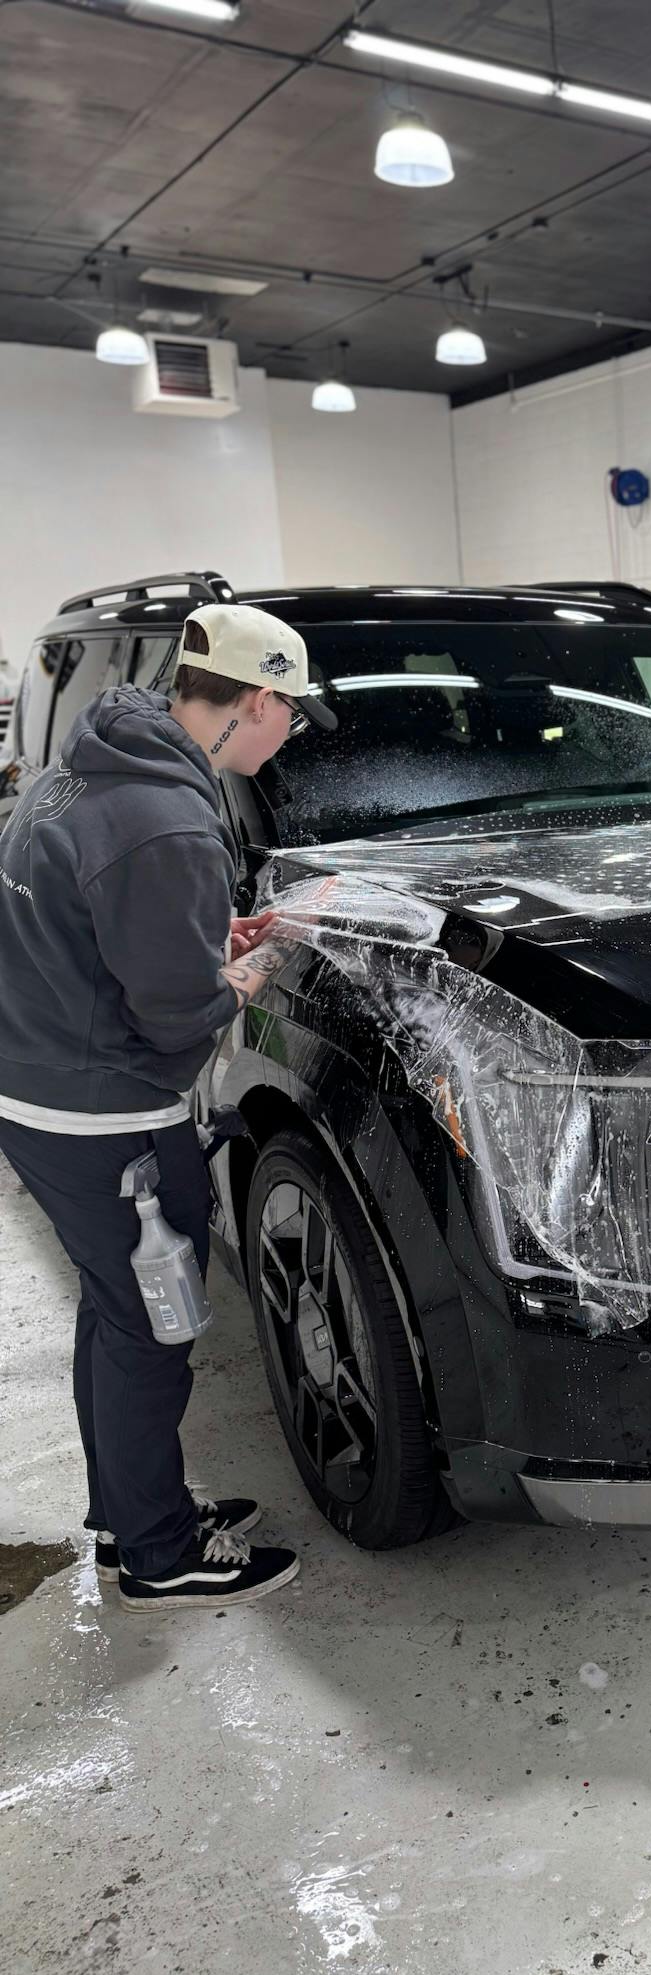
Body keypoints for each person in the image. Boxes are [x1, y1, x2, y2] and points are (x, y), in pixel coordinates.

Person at [0, 603, 336, 1609]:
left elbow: (115, 936)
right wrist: (275, 951)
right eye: (292, 715)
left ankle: (128, 1515)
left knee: (114, 1313)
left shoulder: (91, 768)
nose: (291, 738)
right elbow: (179, 1020)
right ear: (259, 698)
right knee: (159, 1321)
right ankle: (158, 1552)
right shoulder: (171, 821)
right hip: (110, 1121)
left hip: (40, 1090)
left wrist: (215, 933)